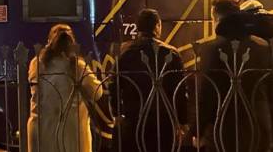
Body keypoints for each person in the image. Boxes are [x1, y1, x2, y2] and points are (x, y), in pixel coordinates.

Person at [197, 0, 273, 152]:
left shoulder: (210, 49)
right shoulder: (262, 46)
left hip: (223, 124)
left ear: (217, 19)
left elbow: (207, 93)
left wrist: (198, 129)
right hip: (257, 121)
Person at [109, 9, 187, 152]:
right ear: (157, 26)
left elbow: (114, 85)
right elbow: (180, 90)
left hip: (134, 118)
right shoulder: (171, 53)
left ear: (137, 28)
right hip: (163, 119)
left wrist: (117, 113)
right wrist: (182, 120)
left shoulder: (125, 53)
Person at [27, 24, 102, 152]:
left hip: (41, 131)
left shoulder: (37, 63)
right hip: (72, 133)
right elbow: (97, 92)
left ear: (49, 42)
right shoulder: (77, 66)